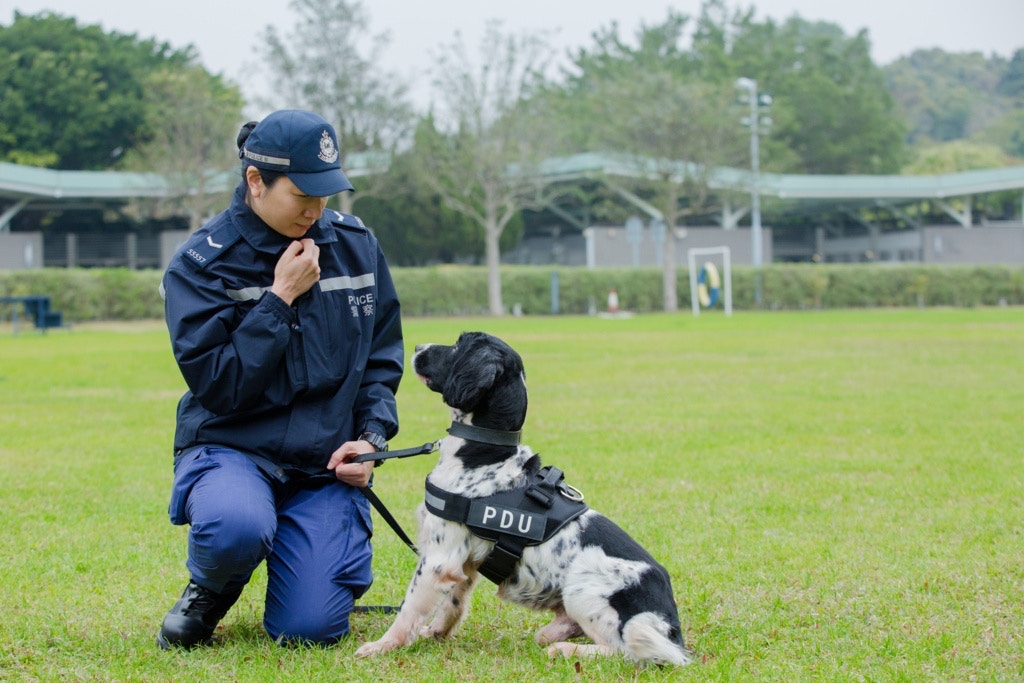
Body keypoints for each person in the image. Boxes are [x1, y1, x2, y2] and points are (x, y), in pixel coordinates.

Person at [156, 109, 403, 649]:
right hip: (233, 449)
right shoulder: (201, 264)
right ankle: (212, 588)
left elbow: (380, 361)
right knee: (237, 525)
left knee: (308, 631)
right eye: (302, 195)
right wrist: (280, 297)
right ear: (255, 181)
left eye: (326, 195)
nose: (316, 210)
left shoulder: (357, 246)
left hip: (322, 468)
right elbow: (219, 385)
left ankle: (311, 574)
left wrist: (371, 439)